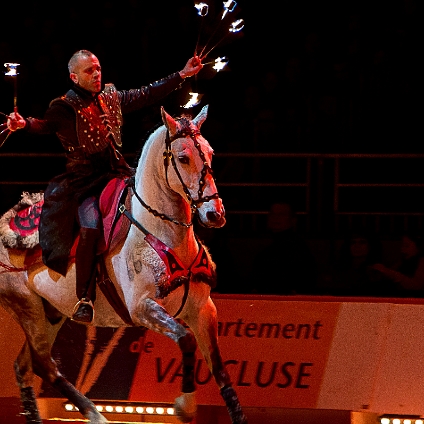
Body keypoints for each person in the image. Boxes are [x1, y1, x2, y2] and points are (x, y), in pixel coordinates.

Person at [6, 49, 203, 324]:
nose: (97, 74)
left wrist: (181, 75)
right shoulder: (64, 107)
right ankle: (84, 297)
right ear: (74, 77)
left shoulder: (110, 96)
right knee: (91, 224)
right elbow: (45, 126)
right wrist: (24, 124)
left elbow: (147, 93)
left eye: (98, 68)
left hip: (117, 173)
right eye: (90, 71)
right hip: (85, 182)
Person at [248, 202, 318, 295]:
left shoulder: (298, 248)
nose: (276, 217)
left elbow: (304, 281)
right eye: (273, 214)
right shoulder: (264, 247)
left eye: (282, 214)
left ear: (293, 219)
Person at [319, 229, 384, 296]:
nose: (357, 246)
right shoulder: (339, 269)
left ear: (371, 246)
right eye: (353, 242)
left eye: (362, 242)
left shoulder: (377, 270)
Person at [370, 231, 424, 297]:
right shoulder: (402, 261)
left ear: (419, 247)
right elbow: (389, 273)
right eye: (402, 245)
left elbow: (417, 286)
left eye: (406, 246)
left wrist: (391, 273)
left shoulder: (422, 262)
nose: (402, 249)